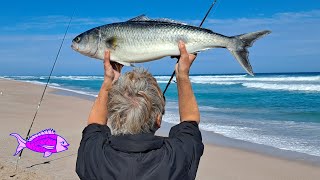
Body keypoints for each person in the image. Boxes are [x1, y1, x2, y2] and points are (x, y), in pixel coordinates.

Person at [76, 41, 204, 180]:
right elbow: (189, 122)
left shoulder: (94, 156)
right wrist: (182, 75)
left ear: (114, 117)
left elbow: (95, 125)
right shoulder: (177, 156)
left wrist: (109, 81)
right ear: (158, 119)